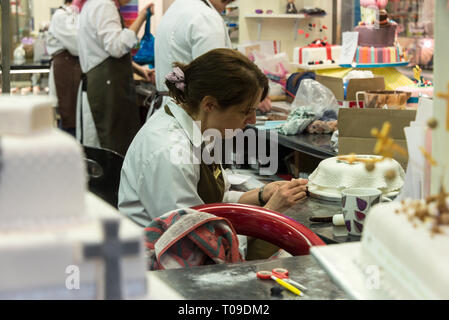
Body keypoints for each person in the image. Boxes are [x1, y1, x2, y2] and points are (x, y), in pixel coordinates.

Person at [118, 49, 308, 257]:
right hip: (165, 267)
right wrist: (270, 213)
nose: (252, 120)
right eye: (245, 111)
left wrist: (261, 196)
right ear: (209, 104)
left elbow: (213, 201)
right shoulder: (169, 153)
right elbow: (199, 246)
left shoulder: (199, 127)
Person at [153, 0, 272, 115]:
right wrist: (251, 97)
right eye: (225, 3)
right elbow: (216, 77)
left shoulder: (177, 7)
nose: (223, 9)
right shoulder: (206, 17)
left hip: (167, 108)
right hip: (189, 111)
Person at [76, 0, 155, 156]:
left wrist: (139, 70)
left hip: (101, 83)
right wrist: (141, 18)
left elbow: (103, 49)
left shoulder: (93, 5)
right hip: (107, 87)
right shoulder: (105, 6)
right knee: (115, 147)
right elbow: (116, 47)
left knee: (108, 143)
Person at [46, 0, 81, 137]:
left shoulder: (75, 14)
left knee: (75, 117)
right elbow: (77, 45)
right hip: (66, 70)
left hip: (74, 69)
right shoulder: (60, 16)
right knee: (69, 118)